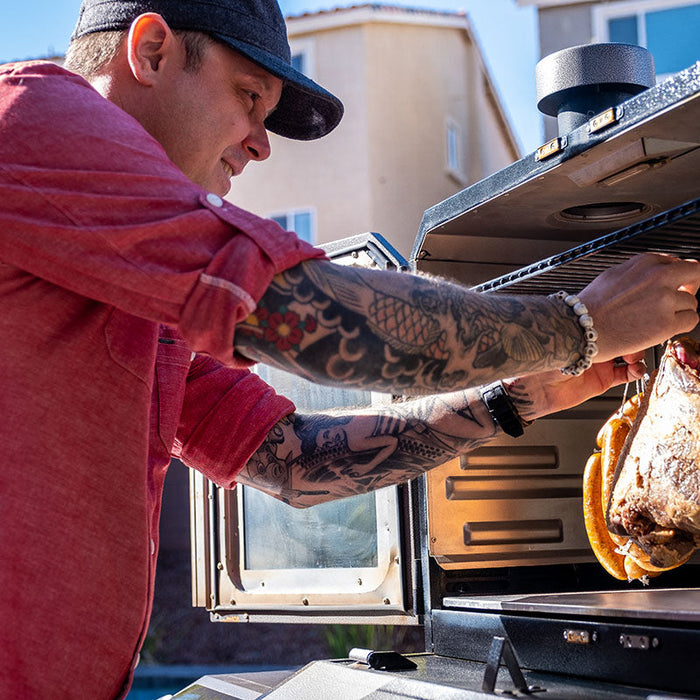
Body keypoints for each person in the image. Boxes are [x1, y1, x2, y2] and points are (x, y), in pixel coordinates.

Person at [1, 0, 698, 697]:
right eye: (249, 99)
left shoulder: (136, 277)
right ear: (150, 51)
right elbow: (310, 315)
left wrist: (517, 401)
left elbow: (294, 461)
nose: (260, 143)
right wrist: (580, 326)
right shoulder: (30, 120)